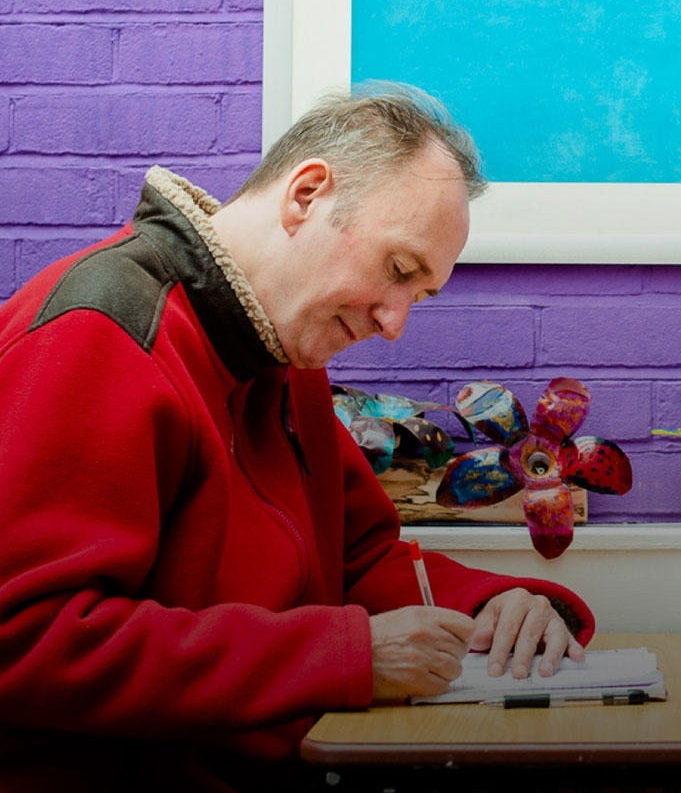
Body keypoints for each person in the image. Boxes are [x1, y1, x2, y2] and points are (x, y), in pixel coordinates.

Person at [0, 82, 594, 792]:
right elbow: (24, 639)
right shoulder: (101, 334)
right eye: (397, 270)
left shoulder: (286, 353)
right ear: (306, 194)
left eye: (418, 294)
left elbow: (358, 556)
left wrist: (490, 607)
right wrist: (344, 656)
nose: (395, 323)